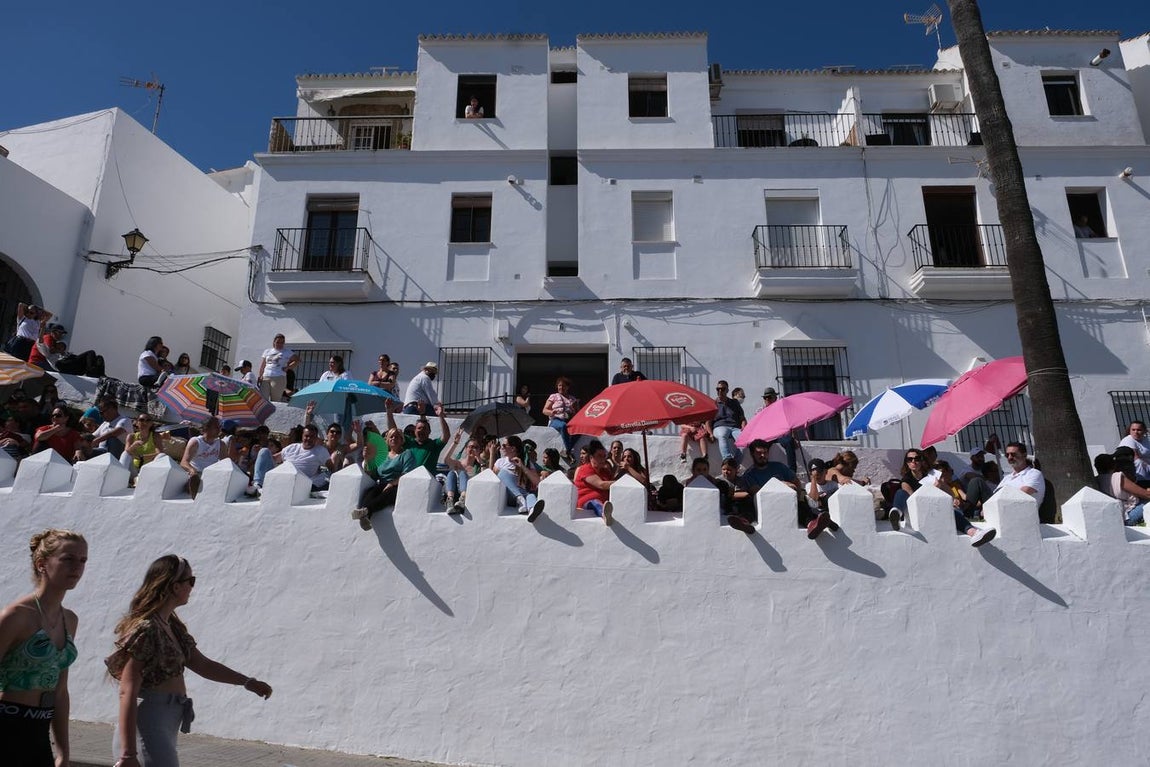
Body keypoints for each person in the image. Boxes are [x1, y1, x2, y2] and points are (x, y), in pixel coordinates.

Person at [106, 556, 272, 767]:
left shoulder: (172, 627)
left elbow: (203, 665)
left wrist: (247, 682)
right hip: (147, 723)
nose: (192, 587)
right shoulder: (146, 629)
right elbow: (127, 690)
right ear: (175, 586)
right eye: (190, 581)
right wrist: (128, 754)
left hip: (165, 721)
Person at [0, 528, 87, 767]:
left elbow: (60, 691)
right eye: (68, 559)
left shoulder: (69, 620)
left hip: (38, 731)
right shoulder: (16, 615)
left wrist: (63, 752)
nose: (77, 567)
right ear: (42, 564)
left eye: (82, 560)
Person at [352, 427, 420, 531]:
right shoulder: (382, 456)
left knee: (388, 493)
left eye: (397, 437)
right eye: (391, 436)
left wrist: (392, 483)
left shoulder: (407, 454)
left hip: (398, 486)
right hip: (382, 484)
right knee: (370, 492)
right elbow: (373, 475)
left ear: (402, 440)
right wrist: (367, 459)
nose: (394, 438)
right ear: (387, 440)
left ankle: (366, 511)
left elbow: (407, 474)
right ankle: (365, 516)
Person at [248, 423, 331, 495]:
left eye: (312, 436)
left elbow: (332, 468)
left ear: (316, 438)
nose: (309, 439)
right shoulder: (292, 447)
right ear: (302, 436)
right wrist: (258, 455)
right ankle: (258, 485)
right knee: (264, 451)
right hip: (281, 476)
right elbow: (274, 459)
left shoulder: (321, 451)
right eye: (306, 436)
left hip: (299, 482)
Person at [387, 402, 449, 474]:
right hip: (407, 478)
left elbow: (446, 436)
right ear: (415, 431)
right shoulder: (408, 442)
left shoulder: (434, 445)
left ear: (429, 431)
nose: (422, 430)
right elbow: (393, 431)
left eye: (424, 428)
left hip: (427, 479)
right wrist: (389, 413)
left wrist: (441, 416)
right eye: (419, 428)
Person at [494, 435, 545, 521]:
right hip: (509, 496)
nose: (501, 448)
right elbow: (492, 478)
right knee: (503, 473)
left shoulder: (526, 463)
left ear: (513, 448)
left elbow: (537, 482)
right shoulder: (500, 462)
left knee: (531, 496)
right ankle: (520, 499)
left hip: (523, 494)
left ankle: (531, 510)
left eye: (504, 445)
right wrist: (492, 453)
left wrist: (522, 467)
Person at [1095, 452, 1150, 525]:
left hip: (1114, 517)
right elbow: (1146, 494)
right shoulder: (1117, 477)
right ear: (1114, 465)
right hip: (1127, 516)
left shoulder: (1096, 480)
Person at [574, 439, 615, 525]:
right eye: (599, 456)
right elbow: (601, 485)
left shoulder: (606, 472)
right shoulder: (585, 469)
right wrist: (621, 482)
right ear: (591, 457)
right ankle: (604, 514)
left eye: (604, 456)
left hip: (604, 502)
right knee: (595, 503)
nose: (603, 459)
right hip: (586, 504)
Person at [180, 417, 223, 499]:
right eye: (216, 427)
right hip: (197, 473)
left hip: (212, 474)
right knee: (196, 479)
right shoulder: (196, 442)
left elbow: (227, 462)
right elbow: (184, 462)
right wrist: (192, 471)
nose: (219, 430)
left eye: (219, 427)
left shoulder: (221, 444)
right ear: (207, 428)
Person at [992, 442, 1045, 507]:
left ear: (1024, 455)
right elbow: (994, 495)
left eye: (1013, 454)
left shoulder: (1033, 474)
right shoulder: (1007, 478)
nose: (1009, 457)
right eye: (1007, 455)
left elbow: (1020, 494)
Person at [542, 376, 579, 460]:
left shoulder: (573, 399)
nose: (561, 387)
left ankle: (567, 450)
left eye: (563, 386)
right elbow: (544, 410)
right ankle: (569, 451)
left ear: (568, 387)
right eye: (559, 385)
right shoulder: (553, 396)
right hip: (555, 420)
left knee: (579, 430)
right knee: (563, 426)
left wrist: (573, 409)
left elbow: (577, 413)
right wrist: (552, 412)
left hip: (569, 420)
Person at [716, 457, 755, 534]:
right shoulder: (718, 480)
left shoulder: (741, 480)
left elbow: (745, 494)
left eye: (729, 470)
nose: (726, 472)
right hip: (726, 506)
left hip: (740, 506)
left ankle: (745, 524)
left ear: (736, 470)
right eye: (724, 469)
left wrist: (732, 494)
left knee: (748, 503)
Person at [122, 414, 166, 480]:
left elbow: (159, 453)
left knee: (162, 455)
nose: (145, 422)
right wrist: (133, 446)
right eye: (141, 420)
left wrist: (142, 457)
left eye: (148, 420)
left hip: (149, 469)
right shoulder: (131, 436)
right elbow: (126, 454)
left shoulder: (155, 436)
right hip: (134, 469)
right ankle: (120, 476)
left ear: (151, 423)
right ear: (137, 423)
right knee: (126, 453)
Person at [711, 380, 747, 462]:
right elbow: (708, 421)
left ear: (727, 390)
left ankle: (734, 465)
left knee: (743, 441)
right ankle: (727, 459)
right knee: (722, 435)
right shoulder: (713, 403)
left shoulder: (734, 403)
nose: (720, 391)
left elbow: (742, 418)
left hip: (735, 428)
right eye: (718, 389)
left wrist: (743, 427)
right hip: (720, 426)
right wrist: (710, 433)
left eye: (723, 389)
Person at [257, 333, 298, 403]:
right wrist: (260, 375)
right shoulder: (267, 351)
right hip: (265, 377)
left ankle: (275, 410)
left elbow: (297, 360)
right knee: (263, 399)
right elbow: (263, 365)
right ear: (274, 342)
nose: (279, 344)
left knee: (275, 400)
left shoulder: (287, 352)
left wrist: (288, 367)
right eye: (278, 342)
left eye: (282, 342)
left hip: (278, 377)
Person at [1118, 421, 1150, 486]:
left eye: (1139, 430)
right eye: (1133, 430)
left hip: (1146, 466)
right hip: (1135, 468)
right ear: (1130, 431)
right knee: (1138, 462)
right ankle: (1143, 483)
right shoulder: (1128, 440)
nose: (1136, 432)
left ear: (1144, 431)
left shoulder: (1146, 440)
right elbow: (1135, 457)